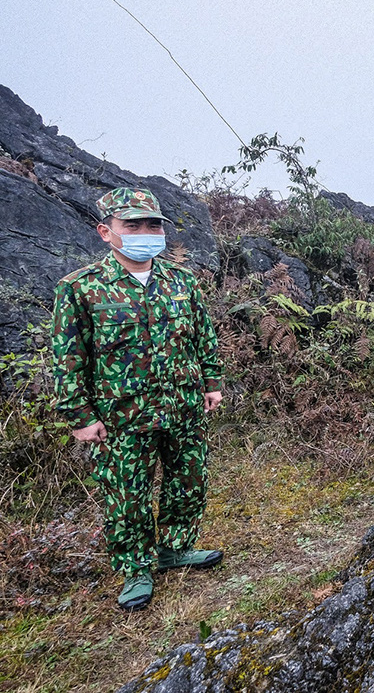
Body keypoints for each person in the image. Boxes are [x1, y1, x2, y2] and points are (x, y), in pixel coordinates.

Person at [51, 188, 225, 612]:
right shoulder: (80, 288)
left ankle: (174, 548)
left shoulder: (183, 282)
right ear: (106, 231)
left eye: (153, 225)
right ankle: (136, 567)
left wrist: (211, 382)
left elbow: (203, 337)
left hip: (184, 406)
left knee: (188, 482)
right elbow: (68, 357)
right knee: (127, 495)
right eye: (133, 225)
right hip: (121, 416)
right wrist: (80, 415)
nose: (146, 232)